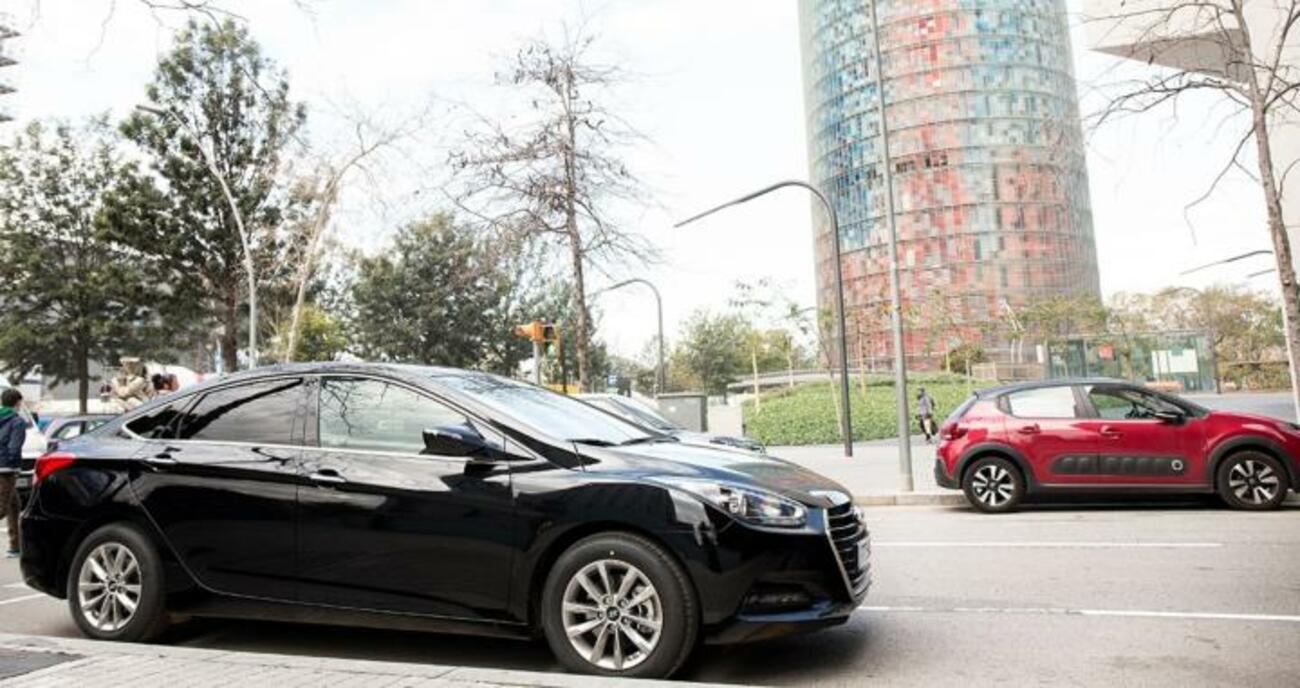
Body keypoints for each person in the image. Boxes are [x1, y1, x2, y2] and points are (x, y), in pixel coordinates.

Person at [0, 388, 29, 557]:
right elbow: (14, 446)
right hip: (6, 469)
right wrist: (14, 466)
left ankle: (15, 547)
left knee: (14, 506)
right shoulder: (17, 421)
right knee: (2, 508)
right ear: (17, 402)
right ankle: (14, 546)